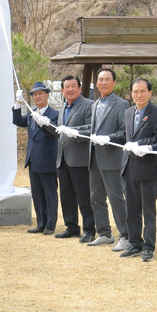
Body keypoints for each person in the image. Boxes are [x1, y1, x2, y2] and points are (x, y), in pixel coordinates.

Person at [118, 77, 157, 261]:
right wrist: (107, 138)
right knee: (131, 209)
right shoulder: (128, 112)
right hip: (129, 168)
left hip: (148, 169)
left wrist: (140, 144)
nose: (138, 95)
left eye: (142, 91)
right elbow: (125, 135)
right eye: (135, 91)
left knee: (148, 210)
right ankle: (134, 243)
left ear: (150, 93)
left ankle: (148, 246)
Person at [87, 67, 129, 249]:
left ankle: (126, 235)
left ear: (114, 83)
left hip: (112, 158)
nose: (103, 83)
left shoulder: (121, 104)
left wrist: (108, 138)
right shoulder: (94, 104)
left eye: (107, 79)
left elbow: (125, 132)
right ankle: (104, 233)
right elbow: (92, 129)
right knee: (96, 196)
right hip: (94, 157)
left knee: (115, 197)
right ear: (96, 83)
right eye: (100, 79)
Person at [51, 75, 96, 241]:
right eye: (66, 87)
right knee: (66, 196)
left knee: (84, 197)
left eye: (73, 86)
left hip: (80, 159)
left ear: (79, 88)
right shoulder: (64, 107)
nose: (70, 89)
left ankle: (89, 230)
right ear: (62, 90)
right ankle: (71, 227)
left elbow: (92, 128)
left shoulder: (88, 105)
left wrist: (75, 131)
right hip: (62, 158)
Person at [12, 81, 60, 233]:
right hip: (33, 160)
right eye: (35, 94)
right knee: (37, 195)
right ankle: (41, 223)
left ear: (47, 95)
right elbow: (17, 121)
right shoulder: (32, 113)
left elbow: (55, 133)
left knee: (50, 194)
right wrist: (18, 103)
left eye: (40, 93)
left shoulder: (55, 114)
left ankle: (50, 225)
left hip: (47, 160)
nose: (38, 96)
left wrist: (45, 123)